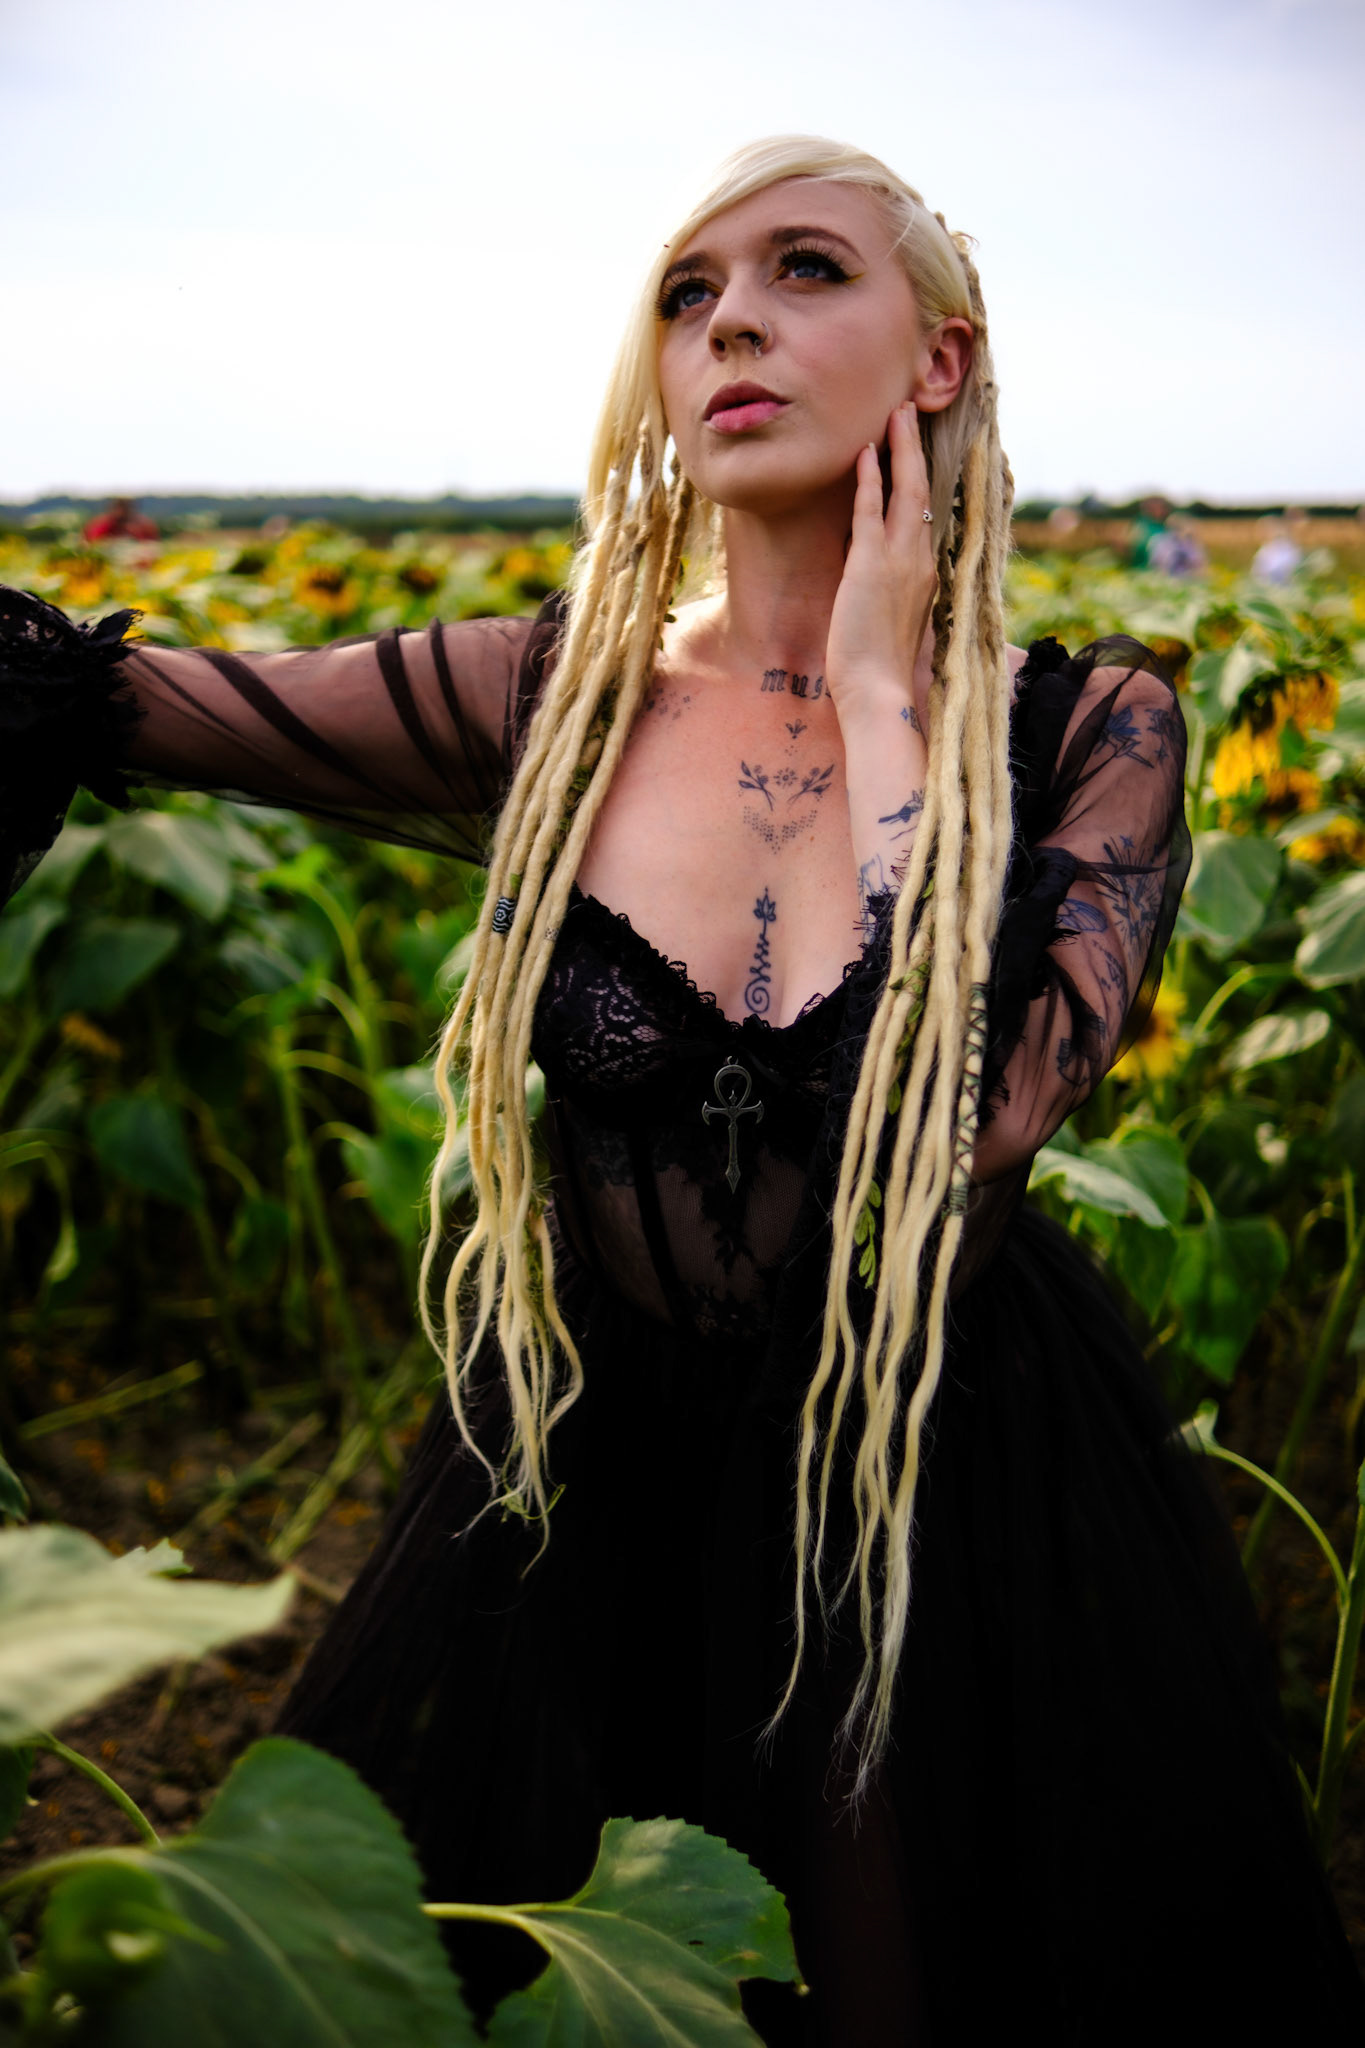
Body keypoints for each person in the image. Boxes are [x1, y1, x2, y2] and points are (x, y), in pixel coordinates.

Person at [1, 136, 1360, 2042]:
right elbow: (100, 697)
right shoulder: (555, 697)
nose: (731, 320)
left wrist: (884, 700)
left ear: (942, 357)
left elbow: (970, 1112)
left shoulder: (1083, 723)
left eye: (806, 268)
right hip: (585, 1479)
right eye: (687, 290)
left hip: (931, 1481)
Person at [80, 495, 160, 543]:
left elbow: (151, 545)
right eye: (119, 508)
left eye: (126, 508)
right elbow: (90, 541)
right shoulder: (100, 524)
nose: (121, 512)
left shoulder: (144, 526)